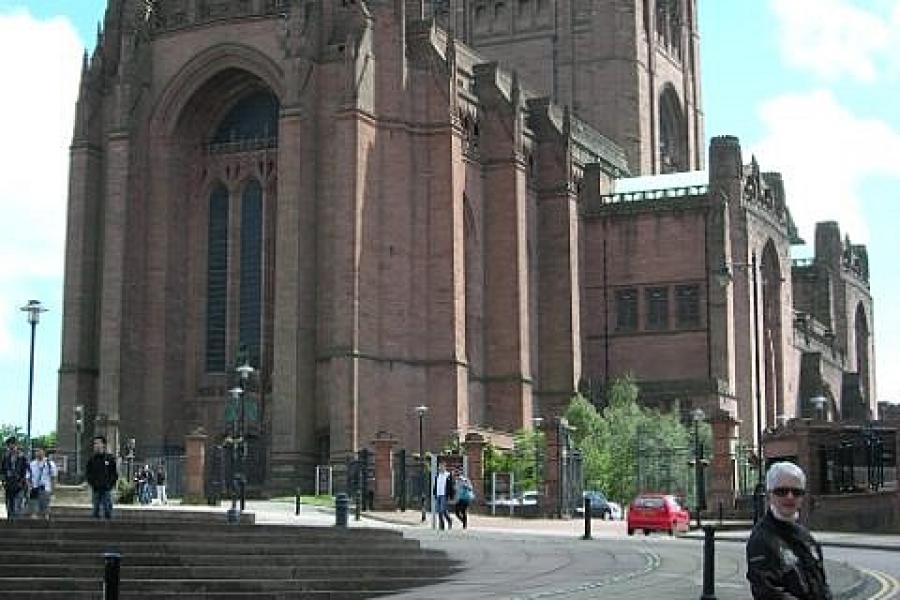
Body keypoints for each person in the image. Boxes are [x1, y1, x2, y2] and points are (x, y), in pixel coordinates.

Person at [746, 461, 832, 600]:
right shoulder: (761, 539)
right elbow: (767, 591)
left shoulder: (806, 537)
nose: (790, 497)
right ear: (770, 494)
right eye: (782, 491)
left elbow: (822, 584)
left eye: (797, 492)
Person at [85, 436, 118, 519]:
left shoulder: (110, 459)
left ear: (103, 445)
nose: (96, 445)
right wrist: (92, 483)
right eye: (95, 443)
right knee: (95, 510)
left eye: (98, 443)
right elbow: (88, 473)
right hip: (96, 488)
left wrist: (110, 484)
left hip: (106, 488)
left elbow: (114, 473)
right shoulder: (92, 460)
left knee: (107, 509)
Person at [26, 446, 57, 519]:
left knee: (45, 509)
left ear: (44, 452)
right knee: (34, 510)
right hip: (34, 488)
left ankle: (45, 525)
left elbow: (54, 477)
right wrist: (29, 487)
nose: (38, 453)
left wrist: (52, 490)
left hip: (45, 488)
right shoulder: (32, 464)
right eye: (36, 451)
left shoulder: (50, 464)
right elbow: (28, 477)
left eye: (40, 451)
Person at [1, 436, 28, 519]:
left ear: (16, 445)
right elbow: (2, 471)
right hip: (9, 486)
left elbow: (26, 472)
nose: (11, 448)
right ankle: (10, 528)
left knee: (17, 508)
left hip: (19, 486)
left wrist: (21, 482)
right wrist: (3, 481)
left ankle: (17, 528)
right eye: (9, 446)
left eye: (12, 446)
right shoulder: (5, 457)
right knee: (9, 508)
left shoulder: (22, 458)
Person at [433, 461, 455, 530]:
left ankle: (449, 520)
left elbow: (451, 486)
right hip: (438, 494)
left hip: (444, 495)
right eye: (439, 467)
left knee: (442, 510)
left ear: (444, 467)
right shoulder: (437, 475)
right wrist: (434, 493)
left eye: (442, 466)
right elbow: (436, 485)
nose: (440, 468)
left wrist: (451, 496)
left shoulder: (448, 475)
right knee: (439, 510)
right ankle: (442, 526)